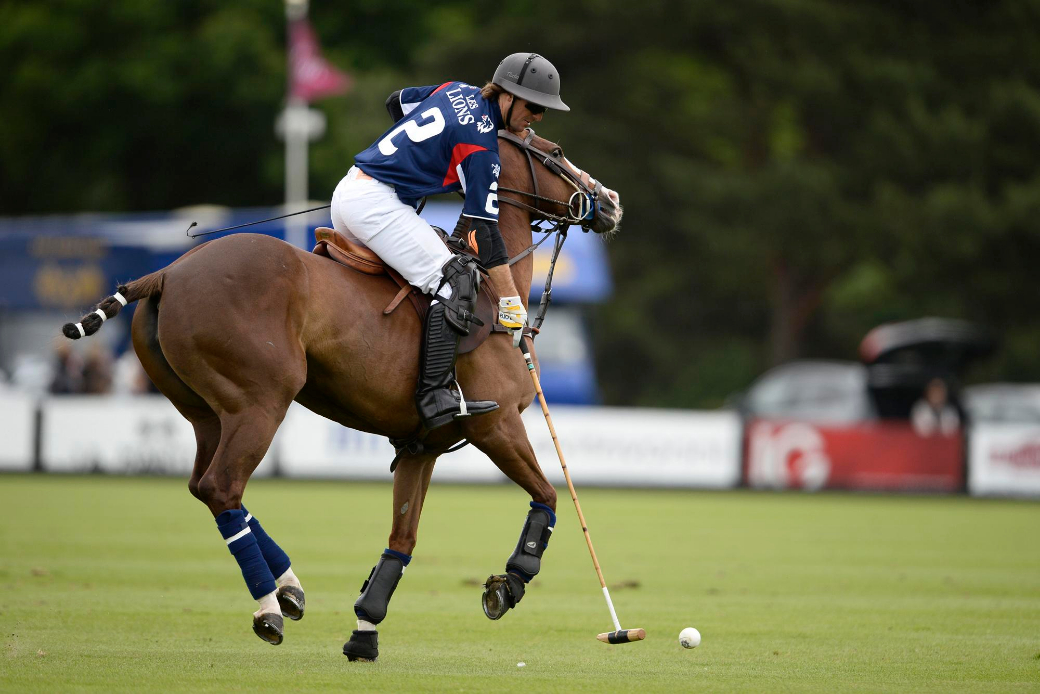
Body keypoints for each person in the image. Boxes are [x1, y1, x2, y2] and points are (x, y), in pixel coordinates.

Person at [330, 53, 570, 432]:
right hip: (376, 206)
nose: (538, 117)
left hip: (350, 189)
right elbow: (483, 232)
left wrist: (423, 161)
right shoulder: (482, 151)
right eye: (534, 106)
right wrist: (509, 302)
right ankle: (434, 396)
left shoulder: (455, 89)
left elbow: (397, 101)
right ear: (506, 96)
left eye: (544, 110)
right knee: (457, 280)